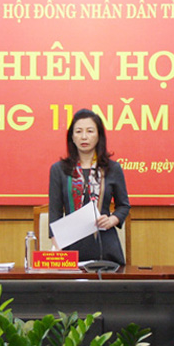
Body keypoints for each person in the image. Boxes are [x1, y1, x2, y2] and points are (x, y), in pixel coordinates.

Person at [48, 109, 130, 266]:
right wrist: (57, 245)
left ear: (99, 135)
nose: (84, 137)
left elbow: (123, 206)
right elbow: (55, 212)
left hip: (106, 246)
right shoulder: (59, 170)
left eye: (90, 131)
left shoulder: (112, 168)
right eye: (78, 131)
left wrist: (112, 220)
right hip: (70, 246)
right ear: (72, 137)